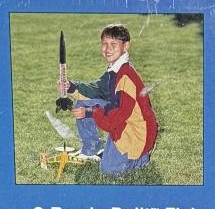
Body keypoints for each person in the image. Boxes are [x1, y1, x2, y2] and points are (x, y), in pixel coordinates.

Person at [58, 23, 158, 174]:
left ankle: (140, 159)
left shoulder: (126, 76)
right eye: (104, 44)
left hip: (137, 132)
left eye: (113, 44)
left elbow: (119, 115)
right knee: (84, 102)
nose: (108, 48)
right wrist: (70, 87)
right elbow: (96, 89)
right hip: (122, 120)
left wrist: (91, 112)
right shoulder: (114, 70)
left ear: (125, 46)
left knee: (109, 170)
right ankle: (91, 150)